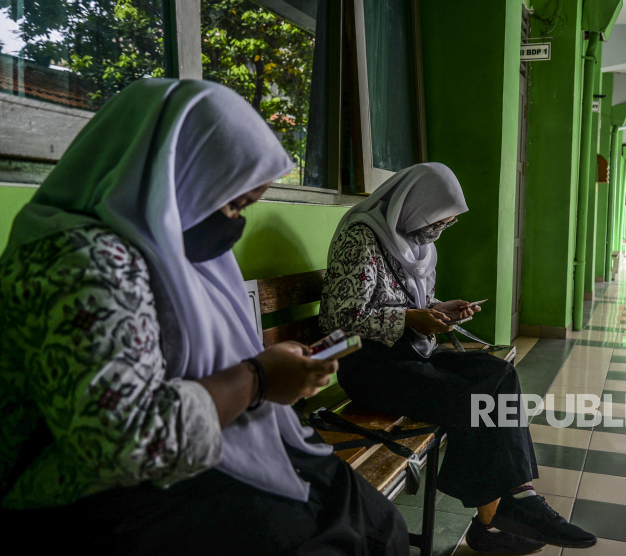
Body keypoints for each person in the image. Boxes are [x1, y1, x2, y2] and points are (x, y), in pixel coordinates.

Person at [0, 79, 408, 555]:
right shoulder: (79, 260)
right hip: (91, 498)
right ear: (172, 176)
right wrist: (257, 379)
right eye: (232, 203)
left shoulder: (172, 244)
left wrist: (272, 370)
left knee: (373, 521)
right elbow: (124, 444)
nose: (235, 225)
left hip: (196, 456)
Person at [318, 163, 597, 554]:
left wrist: (439, 309)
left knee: (497, 373)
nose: (439, 230)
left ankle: (516, 501)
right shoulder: (361, 238)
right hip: (369, 368)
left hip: (413, 353)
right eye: (438, 220)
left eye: (446, 224)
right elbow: (340, 319)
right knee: (475, 403)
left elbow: (410, 301)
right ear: (414, 204)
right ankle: (500, 516)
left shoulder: (415, 243)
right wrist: (411, 318)